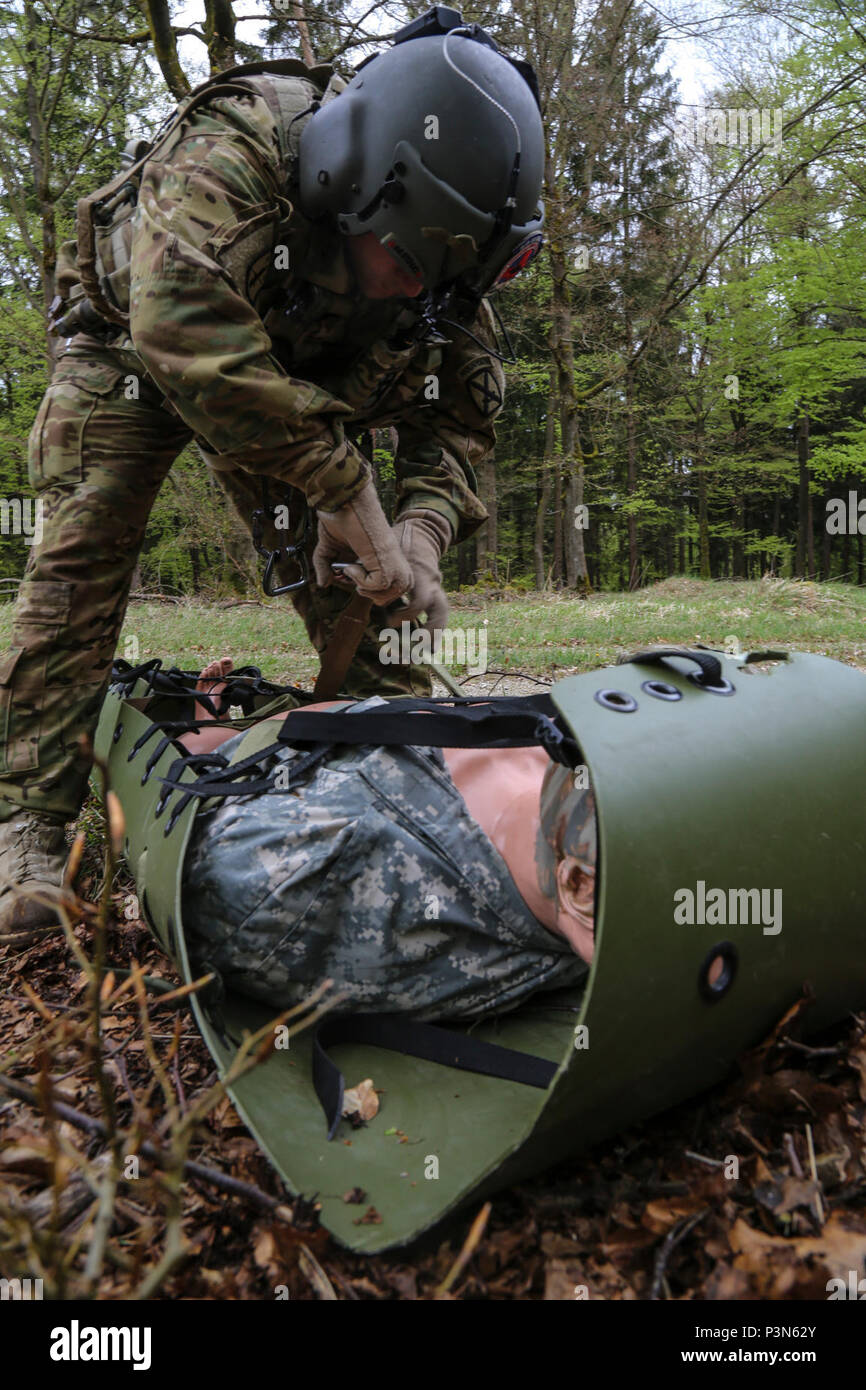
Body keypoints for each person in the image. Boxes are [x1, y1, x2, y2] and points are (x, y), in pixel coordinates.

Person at [0, 9, 546, 934]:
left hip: (290, 387)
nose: (420, 291)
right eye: (408, 261)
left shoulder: (451, 257)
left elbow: (460, 418)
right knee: (82, 549)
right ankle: (27, 831)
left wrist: (417, 530)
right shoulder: (242, 146)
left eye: (444, 281)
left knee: (378, 595)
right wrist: (341, 482)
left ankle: (397, 790)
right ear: (364, 183)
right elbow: (177, 325)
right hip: (130, 347)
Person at [173, 658, 596, 1021]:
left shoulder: (293, 881)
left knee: (224, 751)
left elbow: (184, 815)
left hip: (350, 768)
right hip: (459, 743)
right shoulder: (565, 744)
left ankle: (207, 729)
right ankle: (212, 731)